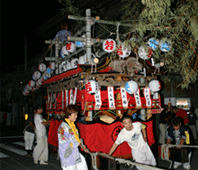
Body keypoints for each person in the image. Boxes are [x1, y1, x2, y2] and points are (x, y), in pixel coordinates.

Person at [58, 104, 89, 170]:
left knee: (83, 166)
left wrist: (82, 145)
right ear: (69, 115)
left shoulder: (72, 125)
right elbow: (70, 141)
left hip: (75, 153)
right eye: (74, 115)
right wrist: (80, 144)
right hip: (67, 155)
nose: (76, 117)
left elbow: (76, 138)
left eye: (76, 115)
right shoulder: (64, 127)